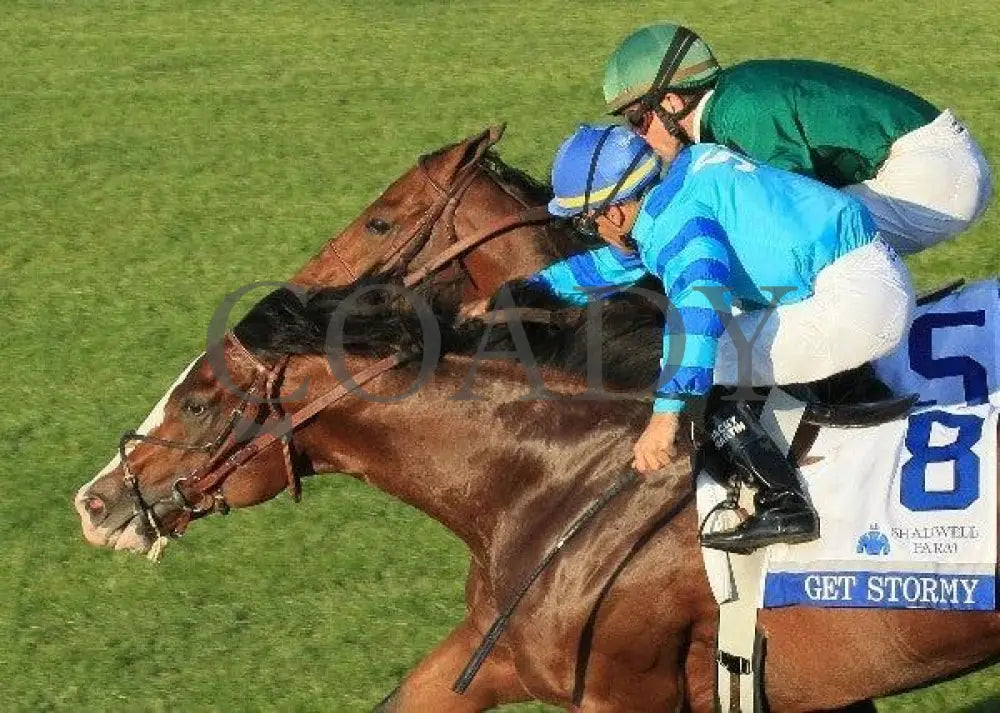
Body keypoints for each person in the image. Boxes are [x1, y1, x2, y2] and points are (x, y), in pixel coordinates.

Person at [526, 124, 915, 553]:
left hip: (855, 304)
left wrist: (665, 415)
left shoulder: (677, 223)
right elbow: (623, 263)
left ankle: (784, 503)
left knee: (705, 358)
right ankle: (849, 390)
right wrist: (532, 289)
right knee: (725, 339)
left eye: (586, 221)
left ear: (613, 213)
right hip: (865, 275)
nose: (592, 230)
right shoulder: (686, 174)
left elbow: (698, 309)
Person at [601, 24, 993, 256]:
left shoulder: (741, 111)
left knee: (768, 247)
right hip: (933, 163)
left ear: (670, 101)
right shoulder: (731, 102)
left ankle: (834, 386)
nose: (637, 135)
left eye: (637, 118)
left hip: (934, 176)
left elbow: (790, 213)